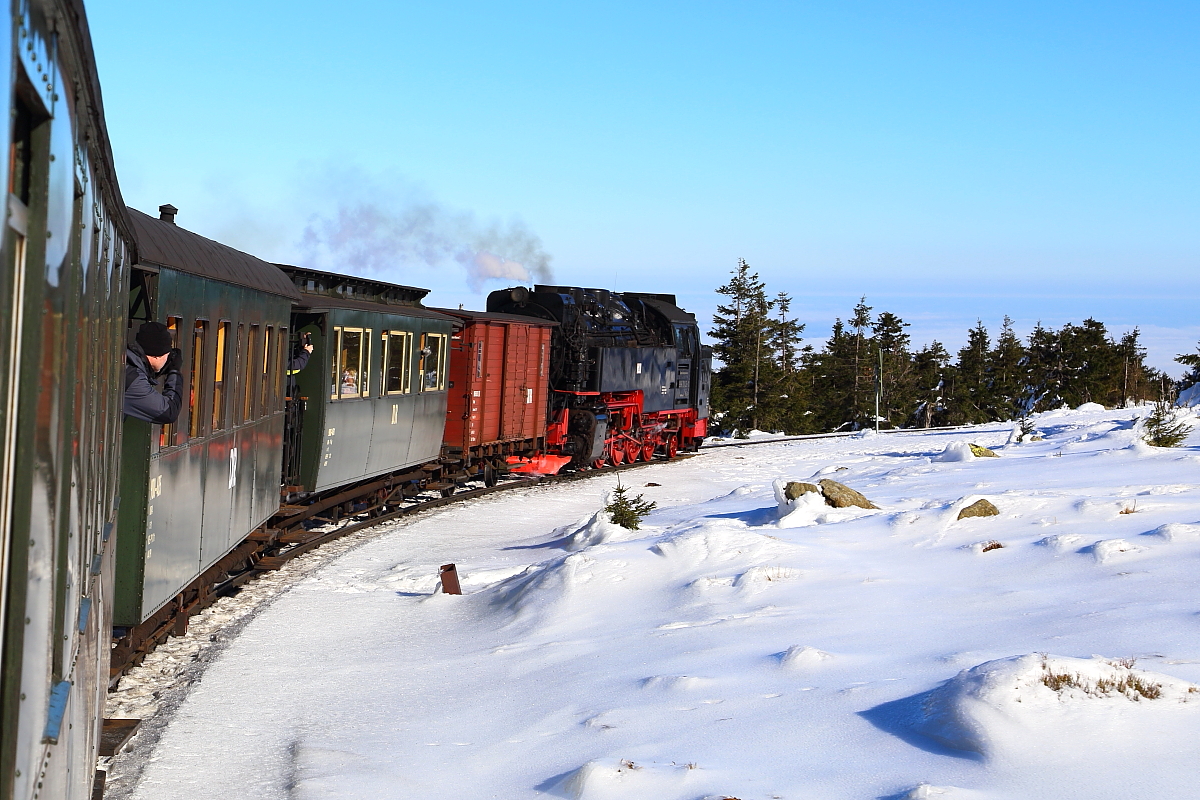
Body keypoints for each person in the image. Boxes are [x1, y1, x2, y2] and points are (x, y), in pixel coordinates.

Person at [124, 321, 184, 424]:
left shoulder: (129, 366)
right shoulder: (133, 378)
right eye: (167, 354)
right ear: (157, 355)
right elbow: (169, 412)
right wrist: (174, 372)